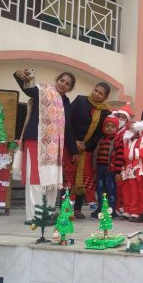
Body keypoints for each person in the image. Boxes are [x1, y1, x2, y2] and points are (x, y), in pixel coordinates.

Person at [14, 69, 77, 221]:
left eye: (67, 84)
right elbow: (28, 89)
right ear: (57, 80)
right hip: (35, 140)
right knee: (36, 178)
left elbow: (67, 127)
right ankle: (35, 216)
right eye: (62, 80)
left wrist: (73, 149)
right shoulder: (43, 91)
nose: (63, 84)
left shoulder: (66, 102)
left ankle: (47, 214)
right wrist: (19, 74)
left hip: (54, 146)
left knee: (52, 180)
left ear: (70, 88)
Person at [67, 82, 112, 219]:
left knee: (82, 179)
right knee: (68, 179)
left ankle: (77, 209)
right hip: (71, 145)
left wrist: (86, 145)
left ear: (105, 97)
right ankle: (65, 208)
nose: (96, 94)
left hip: (87, 150)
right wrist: (73, 142)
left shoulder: (106, 112)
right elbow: (67, 120)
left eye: (100, 93)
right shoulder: (80, 100)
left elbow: (100, 134)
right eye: (95, 90)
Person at [91, 115, 124, 216]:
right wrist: (94, 171)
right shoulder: (101, 140)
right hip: (100, 169)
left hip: (111, 170)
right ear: (103, 127)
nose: (109, 128)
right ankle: (101, 209)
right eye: (107, 126)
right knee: (100, 190)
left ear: (116, 128)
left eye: (112, 126)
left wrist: (118, 172)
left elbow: (119, 157)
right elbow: (95, 156)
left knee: (111, 190)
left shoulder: (118, 140)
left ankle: (111, 210)